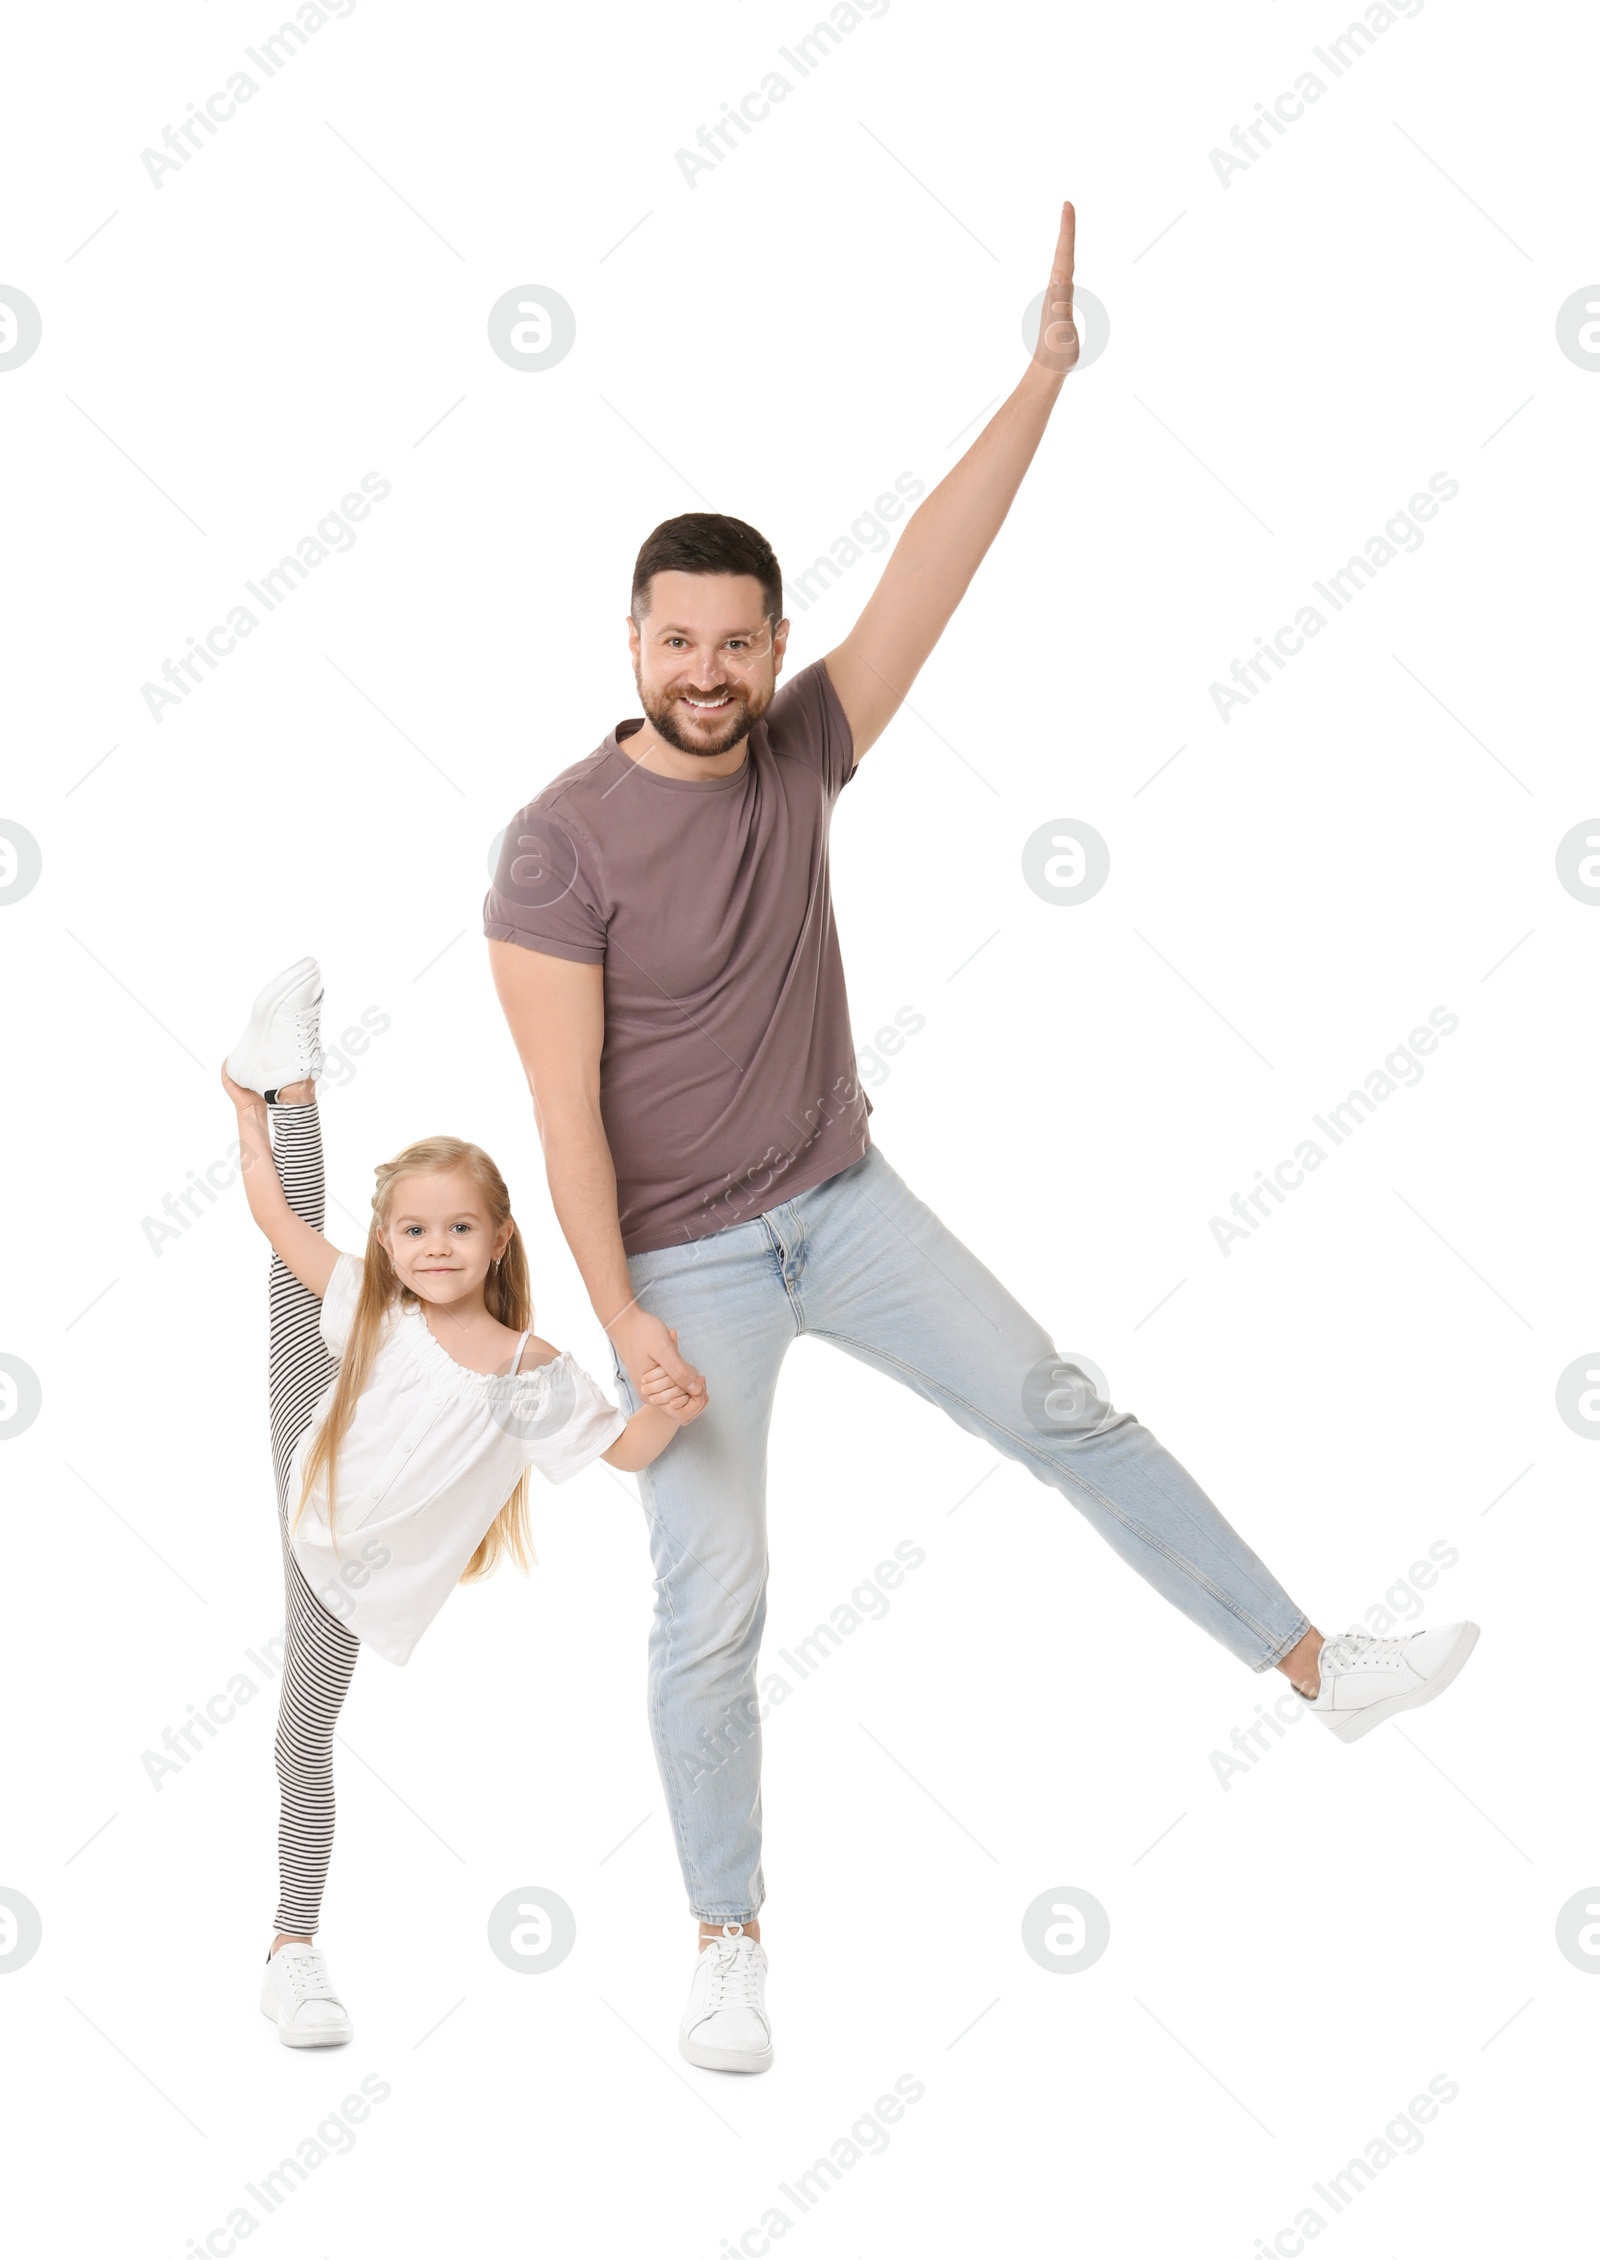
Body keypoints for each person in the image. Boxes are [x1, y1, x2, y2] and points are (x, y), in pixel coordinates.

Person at [483, 203, 1480, 2076]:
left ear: (773, 647)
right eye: (678, 638)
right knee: (716, 1608)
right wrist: (625, 1322)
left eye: (739, 640)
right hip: (684, 1264)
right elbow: (563, 1116)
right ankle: (724, 1937)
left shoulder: (801, 746)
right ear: (635, 639)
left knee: (1066, 1415)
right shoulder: (556, 847)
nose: (710, 668)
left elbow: (937, 568)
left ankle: (1318, 1667)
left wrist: (1039, 379)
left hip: (845, 1204)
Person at [222, 958, 701, 2046]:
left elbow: (625, 1448)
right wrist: (247, 1117)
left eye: (457, 1229)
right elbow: (277, 1223)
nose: (435, 1248)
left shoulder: (531, 1373)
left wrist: (672, 1400)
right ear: (391, 1241)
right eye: (414, 1230)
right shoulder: (374, 1306)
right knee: (306, 1729)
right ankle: (292, 1947)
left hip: (361, 1552)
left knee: (309, 1728)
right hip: (314, 1465)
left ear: (497, 1240)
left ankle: (282, 1086)